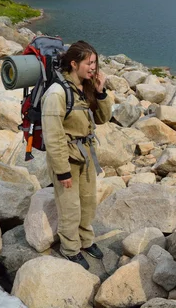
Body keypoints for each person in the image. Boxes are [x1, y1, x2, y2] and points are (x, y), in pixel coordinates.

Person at [41, 40, 112, 269]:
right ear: (73, 63)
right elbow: (53, 136)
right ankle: (70, 249)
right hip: (68, 158)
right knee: (70, 207)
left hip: (86, 155)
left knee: (88, 202)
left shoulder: (86, 86)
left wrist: (100, 93)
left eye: (95, 63)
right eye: (88, 63)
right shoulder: (57, 93)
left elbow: (102, 119)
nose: (93, 67)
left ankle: (86, 240)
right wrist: (62, 171)